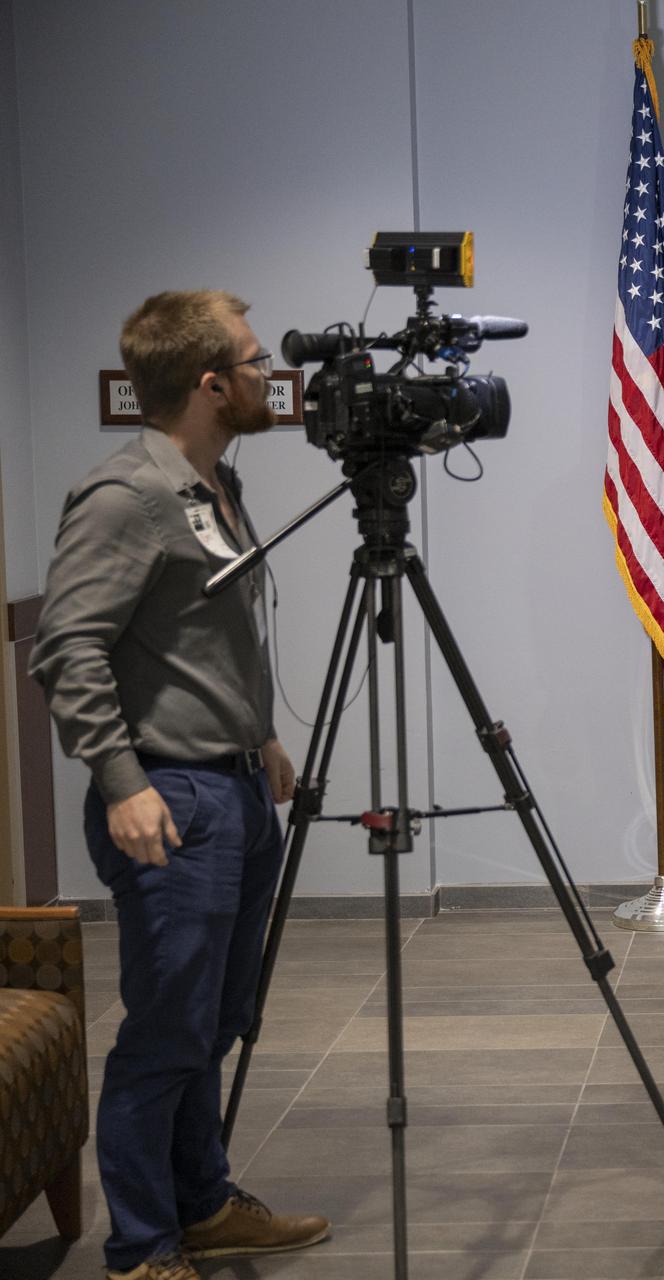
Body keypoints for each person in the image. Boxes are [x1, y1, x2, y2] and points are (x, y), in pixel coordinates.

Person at [30, 291, 330, 1280]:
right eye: (251, 362)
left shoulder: (214, 482)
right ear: (210, 384)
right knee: (166, 1031)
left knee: (219, 1015)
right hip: (167, 798)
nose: (267, 376)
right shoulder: (128, 494)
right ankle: (143, 1243)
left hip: (232, 786)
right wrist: (119, 780)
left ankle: (202, 1202)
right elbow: (69, 646)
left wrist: (262, 734)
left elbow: (200, 638)